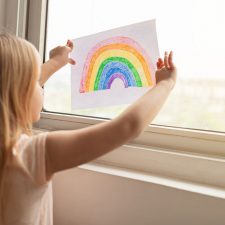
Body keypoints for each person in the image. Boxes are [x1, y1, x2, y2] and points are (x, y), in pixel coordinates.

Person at [0, 33, 177, 225]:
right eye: (36, 81)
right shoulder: (30, 155)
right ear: (18, 92)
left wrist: (55, 62)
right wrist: (166, 84)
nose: (42, 86)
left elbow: (11, 84)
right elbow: (127, 127)